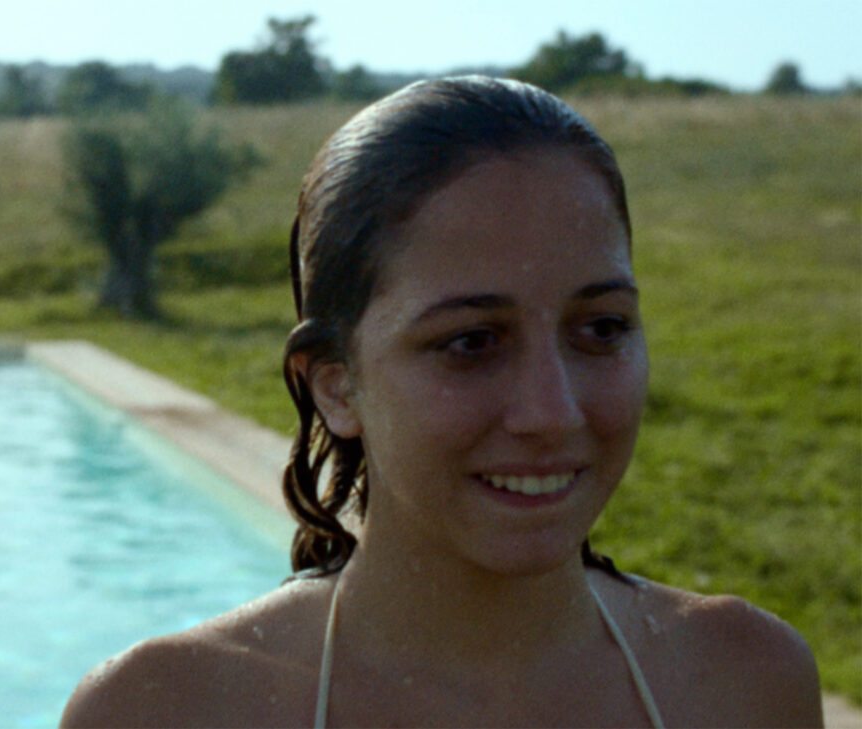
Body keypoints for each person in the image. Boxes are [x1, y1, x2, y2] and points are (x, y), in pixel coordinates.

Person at [60, 77, 823, 728]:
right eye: (471, 341)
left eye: (601, 328)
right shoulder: (168, 709)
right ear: (335, 384)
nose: (553, 412)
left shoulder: (743, 684)